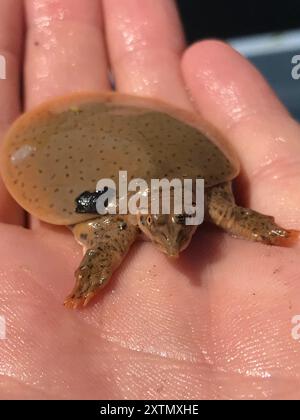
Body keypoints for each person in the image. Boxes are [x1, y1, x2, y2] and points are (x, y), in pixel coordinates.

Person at [0, 0, 299, 400]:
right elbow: (107, 243)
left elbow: (235, 214)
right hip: (72, 143)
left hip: (168, 148)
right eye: (161, 228)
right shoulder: (115, 219)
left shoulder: (204, 196)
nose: (174, 244)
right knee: (108, 229)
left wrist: (277, 233)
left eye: (182, 223)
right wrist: (87, 284)